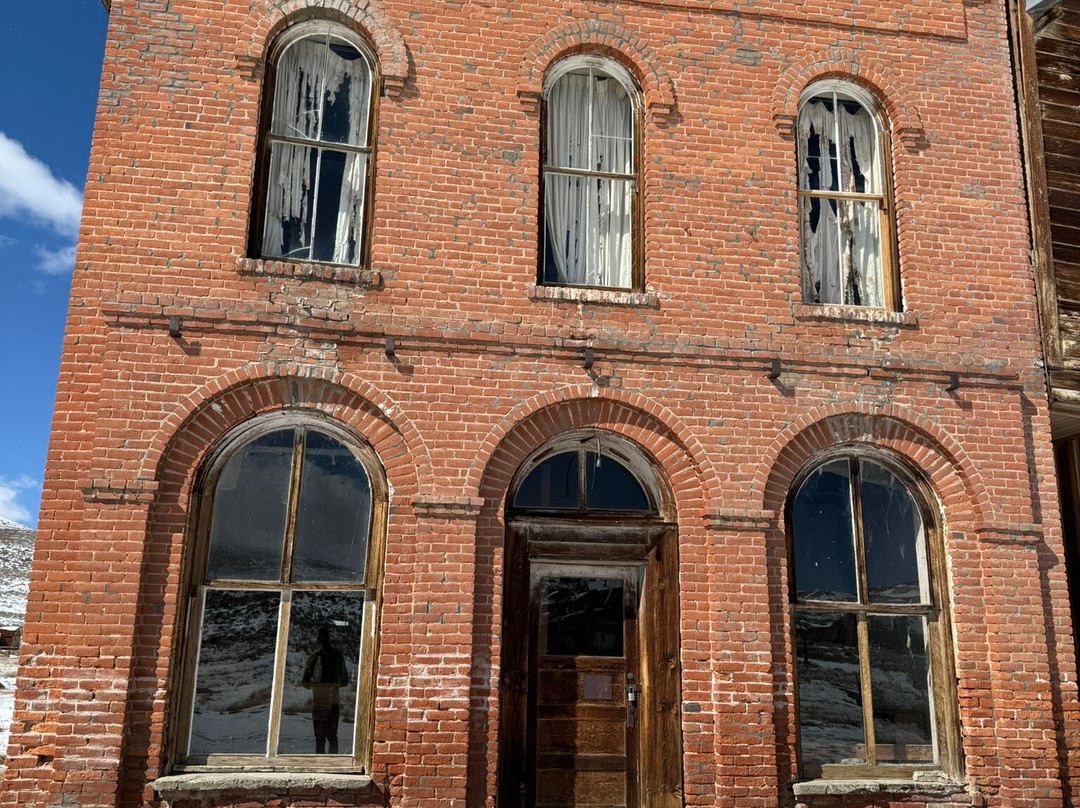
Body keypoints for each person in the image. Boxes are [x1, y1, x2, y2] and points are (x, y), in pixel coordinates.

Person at [301, 624, 350, 754]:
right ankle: (330, 764)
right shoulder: (335, 655)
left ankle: (323, 764)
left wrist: (317, 684)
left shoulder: (314, 657)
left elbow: (305, 682)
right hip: (329, 702)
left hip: (320, 702)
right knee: (331, 736)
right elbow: (344, 681)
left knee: (321, 738)